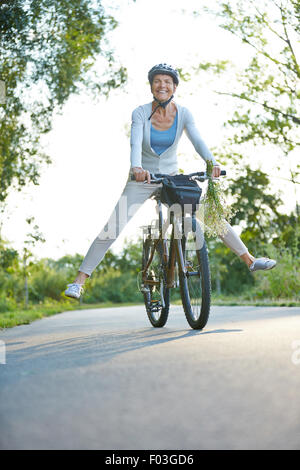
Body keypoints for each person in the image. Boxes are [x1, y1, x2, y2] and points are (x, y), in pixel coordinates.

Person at [65, 63, 276, 299]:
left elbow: (197, 140)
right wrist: (137, 168)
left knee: (209, 215)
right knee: (113, 226)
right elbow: (135, 142)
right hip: (142, 178)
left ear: (174, 87)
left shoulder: (183, 113)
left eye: (167, 82)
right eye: (157, 81)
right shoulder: (141, 112)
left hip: (171, 177)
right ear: (151, 86)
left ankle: (249, 260)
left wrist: (212, 162)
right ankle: (79, 281)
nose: (162, 85)